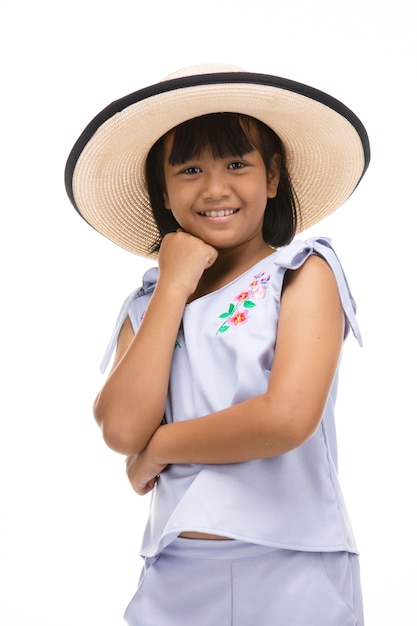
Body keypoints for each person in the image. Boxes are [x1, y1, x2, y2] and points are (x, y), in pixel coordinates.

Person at [65, 64, 370, 626]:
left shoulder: (302, 273)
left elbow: (284, 419)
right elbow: (122, 429)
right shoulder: (150, 303)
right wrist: (175, 284)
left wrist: (160, 450)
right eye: (189, 168)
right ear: (164, 188)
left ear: (272, 177)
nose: (215, 187)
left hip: (294, 562)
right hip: (175, 567)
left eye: (237, 164)